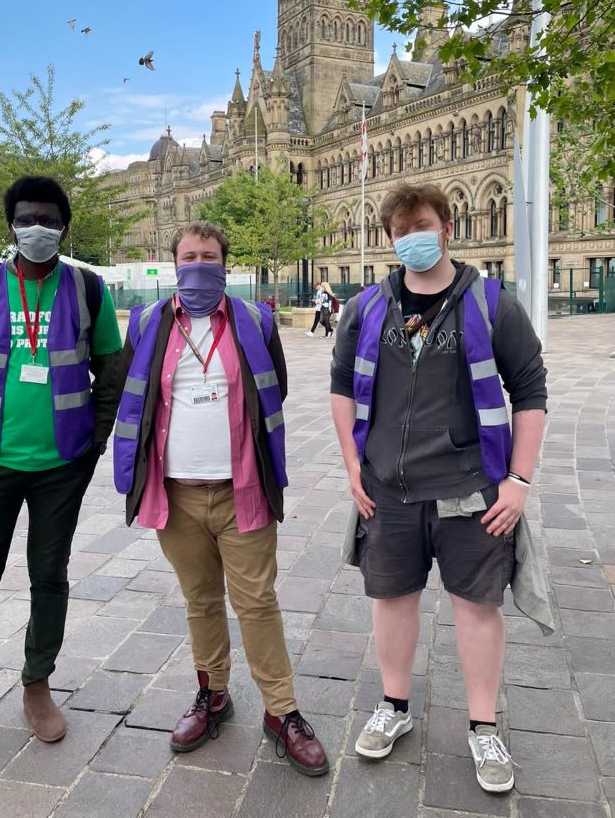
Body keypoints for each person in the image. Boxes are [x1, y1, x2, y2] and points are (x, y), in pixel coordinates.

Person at [330, 182, 547, 794]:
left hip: (469, 489)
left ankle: (482, 726)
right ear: (388, 238)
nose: (411, 238)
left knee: (477, 606)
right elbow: (342, 385)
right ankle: (394, 708)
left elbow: (530, 390)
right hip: (387, 489)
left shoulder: (491, 303)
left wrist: (519, 480)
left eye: (421, 224)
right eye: (399, 230)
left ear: (446, 226)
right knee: (392, 598)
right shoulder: (366, 307)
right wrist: (351, 464)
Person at [113, 221, 329, 777]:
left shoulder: (255, 320)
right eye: (190, 256)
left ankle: (282, 712)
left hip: (243, 489)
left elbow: (274, 388)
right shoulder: (147, 323)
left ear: (224, 265)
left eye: (209, 256)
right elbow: (130, 397)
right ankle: (213, 695)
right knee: (200, 600)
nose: (199, 265)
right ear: (175, 264)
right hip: (176, 492)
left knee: (257, 600)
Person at [0, 175, 121, 760]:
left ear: (64, 227)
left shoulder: (88, 289)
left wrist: (94, 445)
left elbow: (111, 374)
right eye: (29, 218)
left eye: (51, 220)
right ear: (11, 224)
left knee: (48, 576)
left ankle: (37, 685)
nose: (40, 229)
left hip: (62, 464)